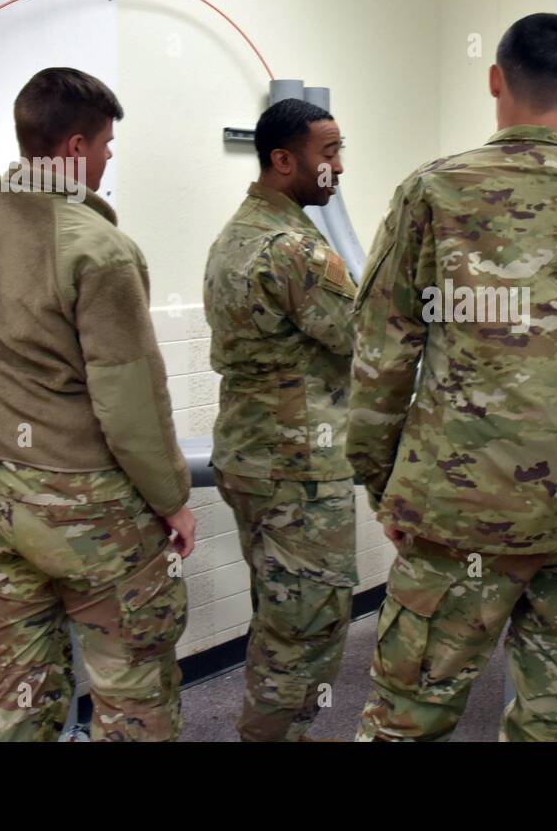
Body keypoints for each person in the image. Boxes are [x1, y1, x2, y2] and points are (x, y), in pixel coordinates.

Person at [348, 12, 557, 741]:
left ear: (495, 80)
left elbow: (380, 358)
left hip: (454, 512)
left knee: (408, 718)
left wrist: (383, 483)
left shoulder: (433, 192)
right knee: (555, 721)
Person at [0, 19, 195, 741]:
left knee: (22, 687)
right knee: (132, 694)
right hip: (91, 512)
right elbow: (130, 406)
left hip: (2, 500)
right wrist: (173, 502)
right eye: (104, 147)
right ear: (74, 149)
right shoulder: (100, 251)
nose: (105, 161)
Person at [203, 98, 357, 741]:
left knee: (279, 609)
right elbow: (362, 339)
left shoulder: (235, 235)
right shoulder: (296, 249)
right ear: (283, 159)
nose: (339, 168)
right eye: (329, 153)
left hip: (251, 456)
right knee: (308, 625)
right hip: (299, 468)